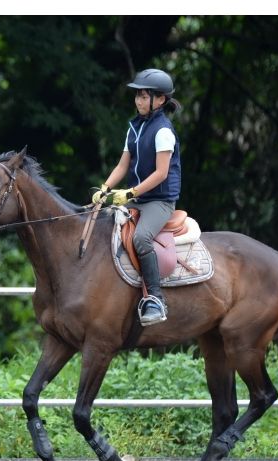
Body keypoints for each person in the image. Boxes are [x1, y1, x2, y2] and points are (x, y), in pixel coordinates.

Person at [92, 68, 182, 326]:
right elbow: (123, 165)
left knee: (142, 238)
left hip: (159, 201)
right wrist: (105, 188)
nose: (139, 101)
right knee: (104, 223)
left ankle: (155, 298)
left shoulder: (164, 130)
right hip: (137, 197)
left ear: (160, 100)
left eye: (144, 97)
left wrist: (130, 192)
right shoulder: (134, 127)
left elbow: (161, 173)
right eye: (138, 97)